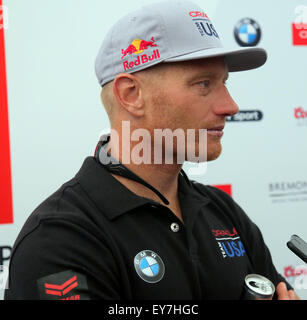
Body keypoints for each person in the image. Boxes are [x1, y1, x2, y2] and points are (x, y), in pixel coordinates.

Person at [5, 0, 299, 300]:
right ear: (131, 95)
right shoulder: (61, 238)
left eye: (224, 82)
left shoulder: (223, 211)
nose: (231, 106)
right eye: (203, 84)